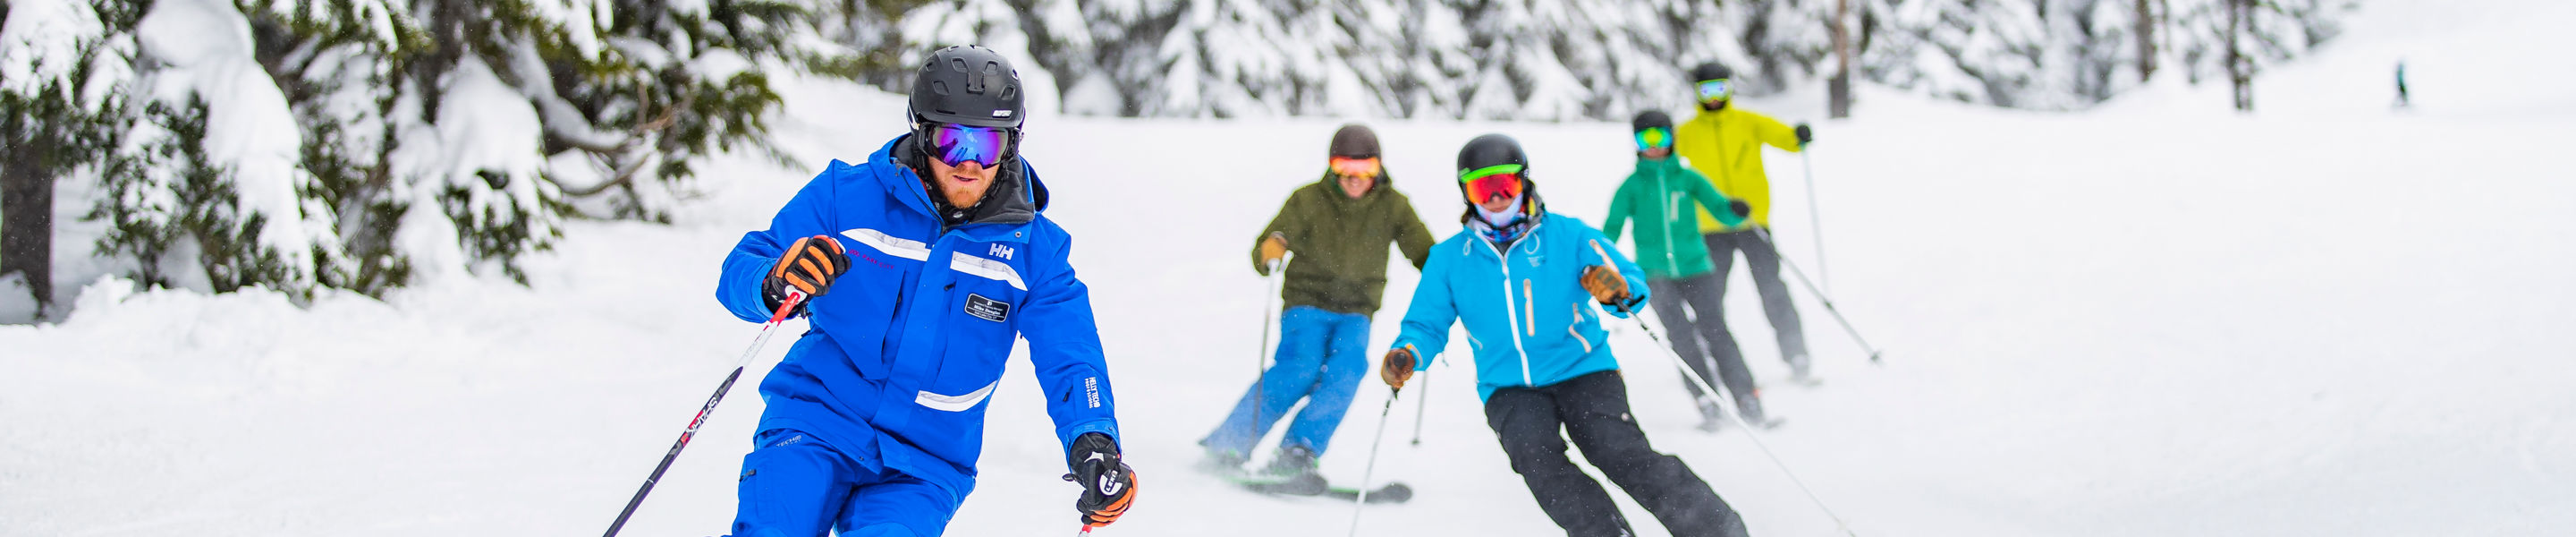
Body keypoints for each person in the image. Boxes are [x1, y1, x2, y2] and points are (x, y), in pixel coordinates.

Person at [710, 46, 1136, 536]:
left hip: (924, 463)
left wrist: (1094, 439)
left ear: (1012, 146)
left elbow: (1071, 355)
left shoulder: (1036, 252)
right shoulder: (845, 196)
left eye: (989, 146)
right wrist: (775, 280)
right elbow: (739, 270)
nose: (970, 164)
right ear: (924, 135)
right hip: (816, 422)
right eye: (955, 142)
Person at [1378, 134, 1752, 537]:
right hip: (1508, 385)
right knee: (1538, 462)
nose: (1497, 197)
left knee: (1617, 451)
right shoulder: (1450, 258)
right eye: (1482, 188)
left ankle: (1715, 529)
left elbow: (1629, 280)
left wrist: (1616, 289)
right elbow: (1425, 323)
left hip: (1583, 369)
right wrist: (1408, 352)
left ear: (1524, 182)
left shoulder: (1569, 236)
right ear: (1466, 193)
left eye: (1506, 184)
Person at [1199, 124, 1436, 481]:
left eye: (1365, 169)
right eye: (1345, 168)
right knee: (1300, 367)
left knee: (1348, 370)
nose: (1355, 178)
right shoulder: (1308, 199)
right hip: (1307, 304)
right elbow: (1273, 239)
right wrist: (1271, 249)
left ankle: (1299, 450)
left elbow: (1424, 252)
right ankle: (1229, 444)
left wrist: (1444, 277)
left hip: (1356, 311)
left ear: (1379, 167)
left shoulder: (1394, 206)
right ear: (1331, 165)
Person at [1601, 110, 1772, 430]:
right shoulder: (1632, 186)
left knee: (1716, 330)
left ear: (1672, 139)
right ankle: (1706, 399)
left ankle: (1747, 397)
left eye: (1660, 138)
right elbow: (1610, 228)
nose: (1653, 146)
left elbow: (1720, 208)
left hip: (1696, 268)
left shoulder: (1688, 178)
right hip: (1655, 274)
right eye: (1645, 139)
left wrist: (1735, 211)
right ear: (1636, 144)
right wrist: (1598, 261)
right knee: (1680, 337)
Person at [1675, 62, 1818, 382]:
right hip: (1710, 229)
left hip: (1753, 224)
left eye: (1719, 88)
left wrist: (1799, 136)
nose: (1713, 97)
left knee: (1772, 289)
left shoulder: (1747, 122)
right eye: (1706, 90)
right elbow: (1662, 164)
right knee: (1708, 297)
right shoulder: (1687, 132)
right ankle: (1709, 360)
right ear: (1697, 93)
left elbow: (1787, 139)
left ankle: (1796, 354)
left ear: (1729, 88)